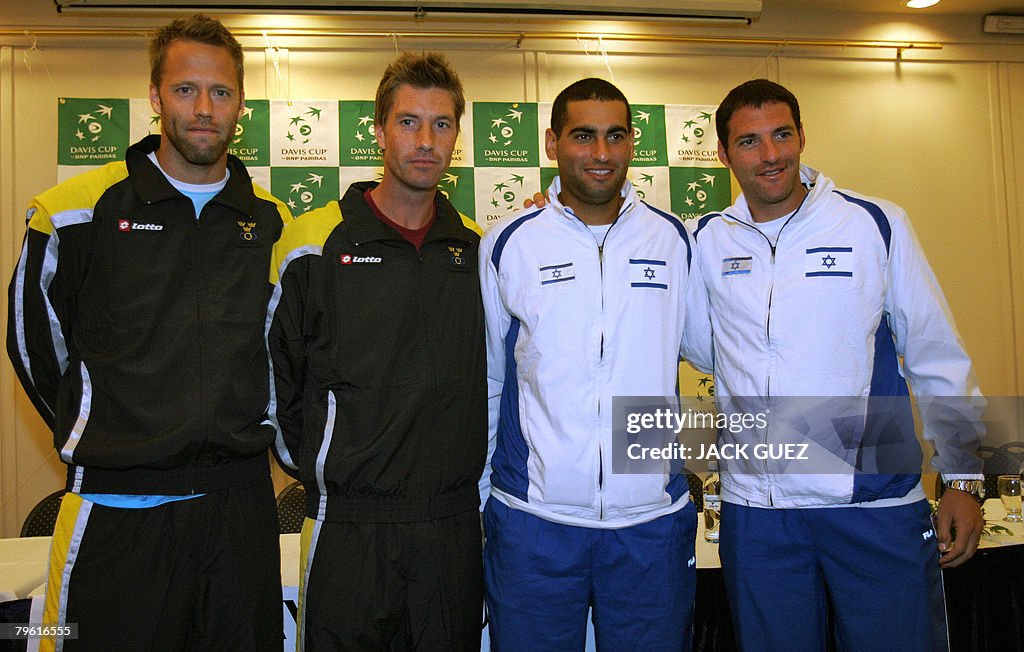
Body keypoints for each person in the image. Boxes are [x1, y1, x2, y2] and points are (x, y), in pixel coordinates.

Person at [6, 14, 291, 650]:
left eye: (221, 91)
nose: (203, 108)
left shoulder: (272, 222)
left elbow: (285, 353)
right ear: (156, 97)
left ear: (241, 103)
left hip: (237, 509)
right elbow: (34, 345)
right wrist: (96, 423)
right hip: (116, 510)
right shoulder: (75, 213)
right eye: (186, 89)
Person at [682, 78, 985, 651]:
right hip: (758, 510)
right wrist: (549, 216)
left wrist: (964, 475)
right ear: (722, 154)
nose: (770, 155)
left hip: (874, 502)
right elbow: (703, 346)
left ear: (802, 136)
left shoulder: (874, 223)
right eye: (749, 142)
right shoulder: (703, 241)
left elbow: (936, 354)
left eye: (781, 135)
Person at [267, 52, 486, 650]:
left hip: (451, 525)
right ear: (379, 129)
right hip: (349, 524)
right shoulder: (311, 245)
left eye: (441, 125)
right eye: (409, 122)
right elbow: (275, 374)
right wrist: (317, 468)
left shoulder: (474, 251)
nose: (425, 141)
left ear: (457, 139)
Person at [479, 78, 696, 651]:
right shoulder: (508, 241)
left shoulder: (676, 241)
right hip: (534, 520)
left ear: (632, 143)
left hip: (649, 521)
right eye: (583, 136)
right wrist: (482, 497)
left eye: (615, 137)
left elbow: (719, 353)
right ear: (552, 143)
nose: (601, 154)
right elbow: (488, 379)